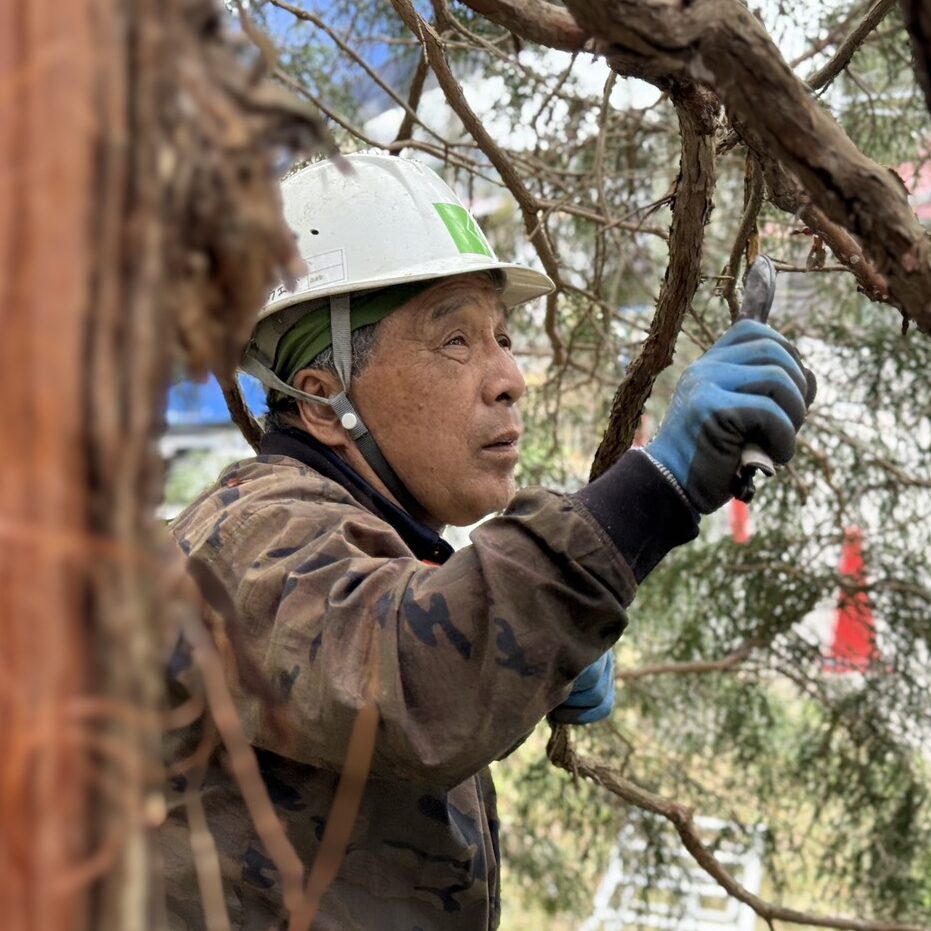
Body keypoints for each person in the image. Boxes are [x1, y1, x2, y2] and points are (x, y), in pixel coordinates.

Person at [160, 154, 815, 930]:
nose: (509, 377)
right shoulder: (242, 537)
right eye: (455, 340)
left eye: (502, 335)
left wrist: (523, 650)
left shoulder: (359, 546)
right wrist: (658, 485)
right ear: (323, 401)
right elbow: (412, 687)